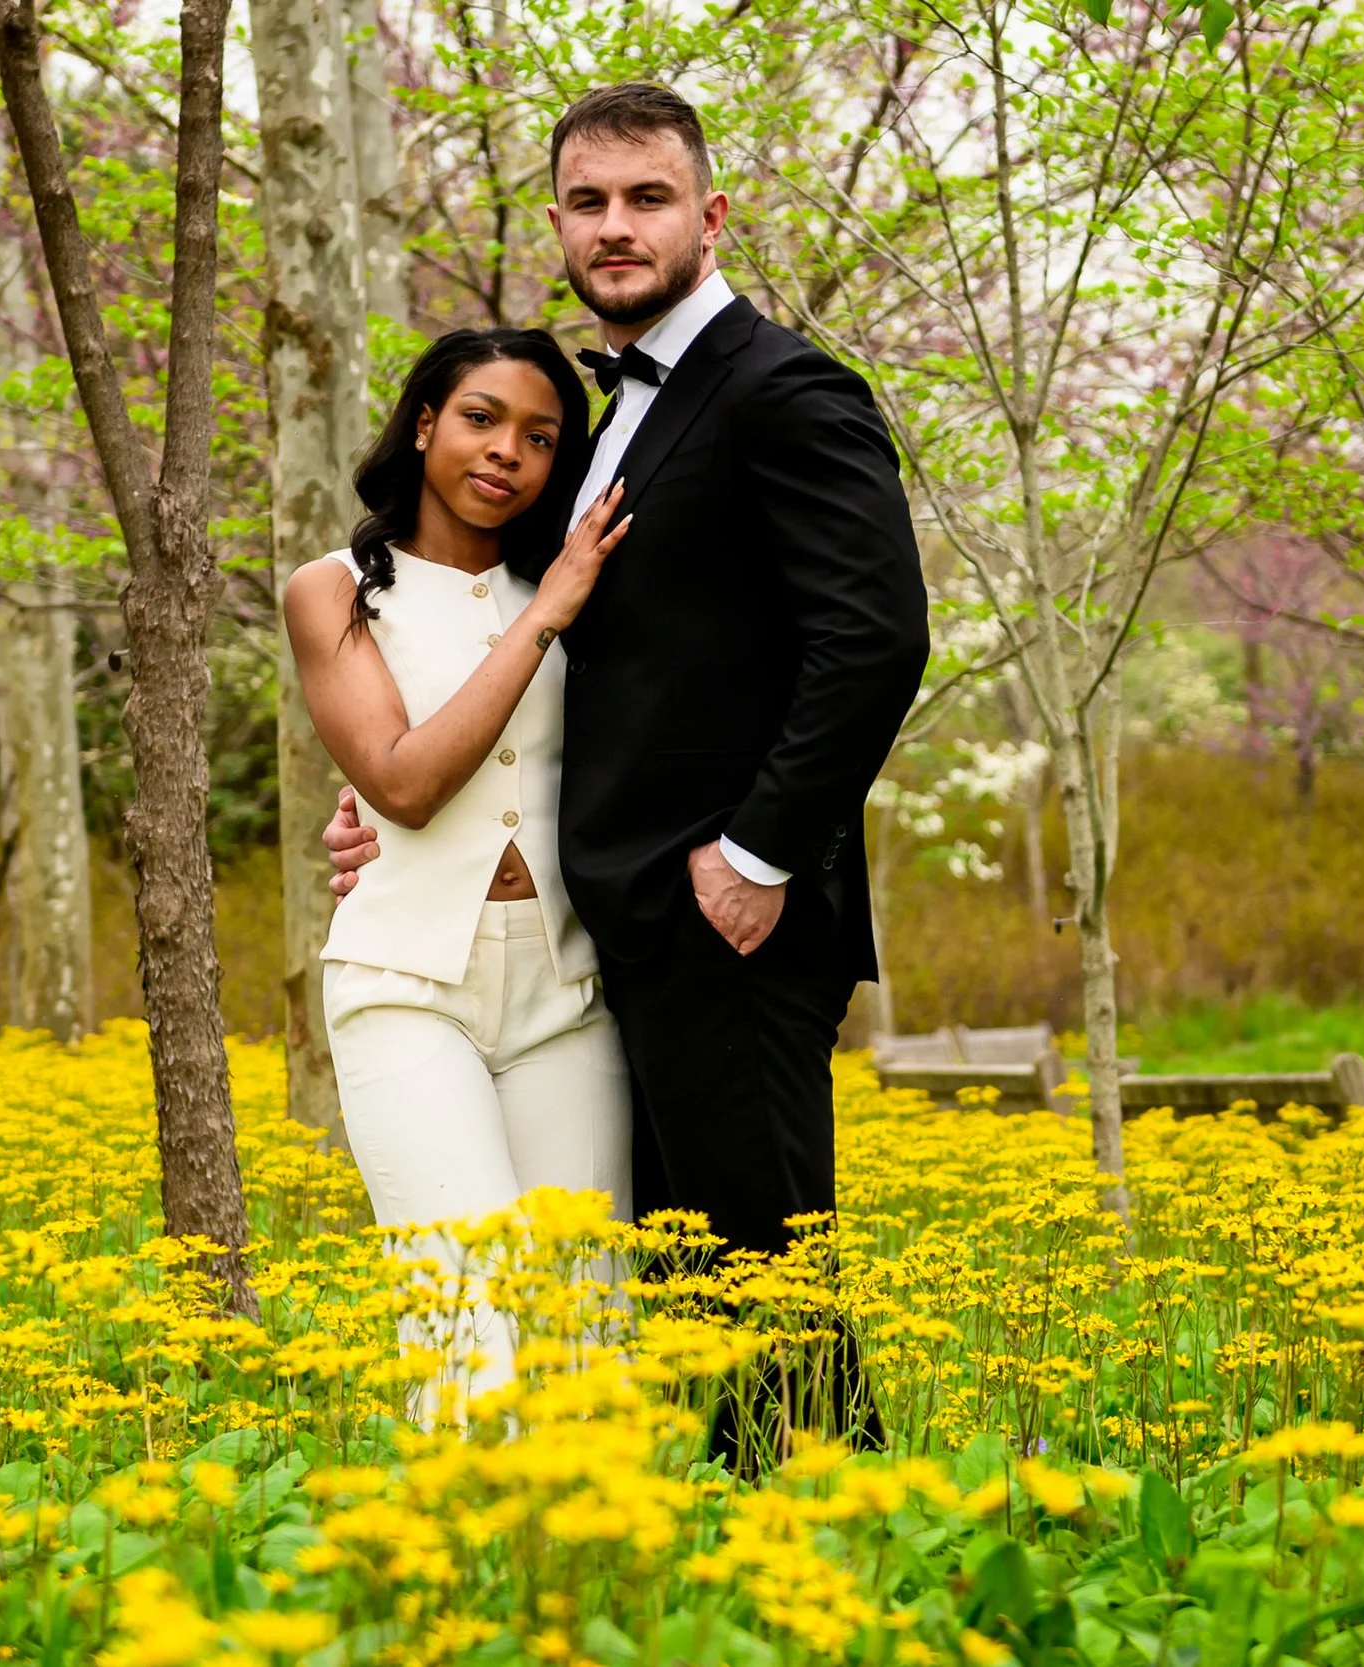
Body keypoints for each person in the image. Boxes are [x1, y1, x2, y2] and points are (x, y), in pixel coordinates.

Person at [323, 84, 931, 1453]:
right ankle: (737, 1551)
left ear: (711, 217)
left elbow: (878, 635)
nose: (617, 226)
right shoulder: (611, 423)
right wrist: (386, 791)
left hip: (733, 912)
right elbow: (575, 657)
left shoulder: (785, 389)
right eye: (590, 202)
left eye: (648, 198)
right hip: (626, 932)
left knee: (772, 1282)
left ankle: (846, 1550)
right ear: (557, 224)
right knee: (702, 1291)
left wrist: (761, 852)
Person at [281, 327, 635, 1416]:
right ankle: (460, 1567)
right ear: (426, 421)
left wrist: (561, 596)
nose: (507, 453)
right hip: (405, 983)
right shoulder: (334, 589)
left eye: (539, 436)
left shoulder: (579, 588)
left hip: (568, 987)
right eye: (481, 418)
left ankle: (589, 1570)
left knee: (588, 1324)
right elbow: (402, 783)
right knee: (462, 1315)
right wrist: (547, 614)